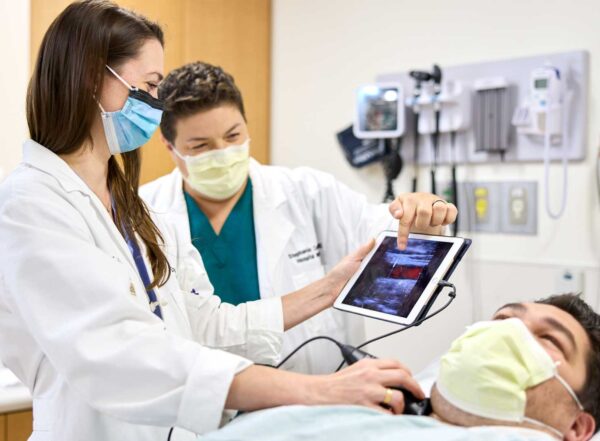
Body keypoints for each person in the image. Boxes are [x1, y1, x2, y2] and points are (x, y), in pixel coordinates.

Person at [0, 2, 441, 439]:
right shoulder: (31, 204)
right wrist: (318, 390)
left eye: (231, 137)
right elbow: (117, 355)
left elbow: (208, 327)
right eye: (151, 86)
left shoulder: (137, 213)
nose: (154, 104)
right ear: (90, 79)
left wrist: (335, 283)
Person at [140, 61, 458, 373]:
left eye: (233, 136)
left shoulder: (307, 192)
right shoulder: (145, 213)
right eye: (201, 146)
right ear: (169, 146)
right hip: (204, 405)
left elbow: (385, 241)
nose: (223, 152)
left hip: (314, 395)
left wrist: (420, 217)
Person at [197, 293, 600, 441]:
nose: (509, 333)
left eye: (548, 340)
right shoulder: (359, 411)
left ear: (578, 428)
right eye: (502, 320)